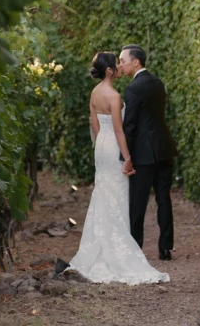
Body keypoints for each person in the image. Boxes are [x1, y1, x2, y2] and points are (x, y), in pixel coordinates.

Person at [67, 52, 169, 285]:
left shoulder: (94, 94)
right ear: (110, 71)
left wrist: (101, 145)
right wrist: (128, 158)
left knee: (103, 193)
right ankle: (118, 247)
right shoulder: (114, 96)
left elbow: (95, 125)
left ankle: (100, 246)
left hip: (100, 147)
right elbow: (119, 130)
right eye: (117, 63)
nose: (120, 66)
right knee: (118, 195)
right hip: (113, 147)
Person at [119, 44, 176, 261]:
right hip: (164, 148)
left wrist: (126, 157)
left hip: (143, 154)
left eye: (123, 61)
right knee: (164, 199)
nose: (120, 65)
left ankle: (135, 247)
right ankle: (165, 247)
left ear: (136, 62)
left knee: (138, 202)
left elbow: (130, 125)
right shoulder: (158, 83)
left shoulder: (133, 88)